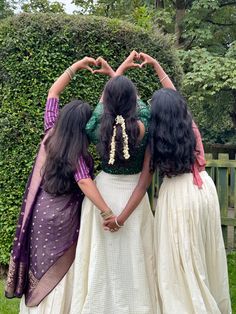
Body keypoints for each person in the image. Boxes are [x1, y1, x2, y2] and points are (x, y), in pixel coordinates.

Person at [118, 52, 232, 314]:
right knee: (203, 250)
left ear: (156, 115)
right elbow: (173, 91)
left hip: (179, 197)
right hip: (204, 189)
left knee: (179, 257)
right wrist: (157, 66)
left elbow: (143, 182)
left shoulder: (154, 138)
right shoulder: (189, 126)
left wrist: (122, 215)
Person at [5, 57, 113, 314]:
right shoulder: (78, 154)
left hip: (41, 212)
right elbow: (85, 182)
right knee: (61, 268)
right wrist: (107, 211)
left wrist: (75, 67)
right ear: (85, 126)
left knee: (41, 264)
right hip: (63, 219)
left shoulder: (51, 132)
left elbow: (54, 91)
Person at [70, 52, 157, 313]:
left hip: (103, 194)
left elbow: (104, 100)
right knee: (136, 256)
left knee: (101, 256)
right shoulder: (146, 122)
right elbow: (145, 179)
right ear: (134, 100)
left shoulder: (96, 124)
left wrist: (114, 73)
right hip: (134, 196)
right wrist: (121, 218)